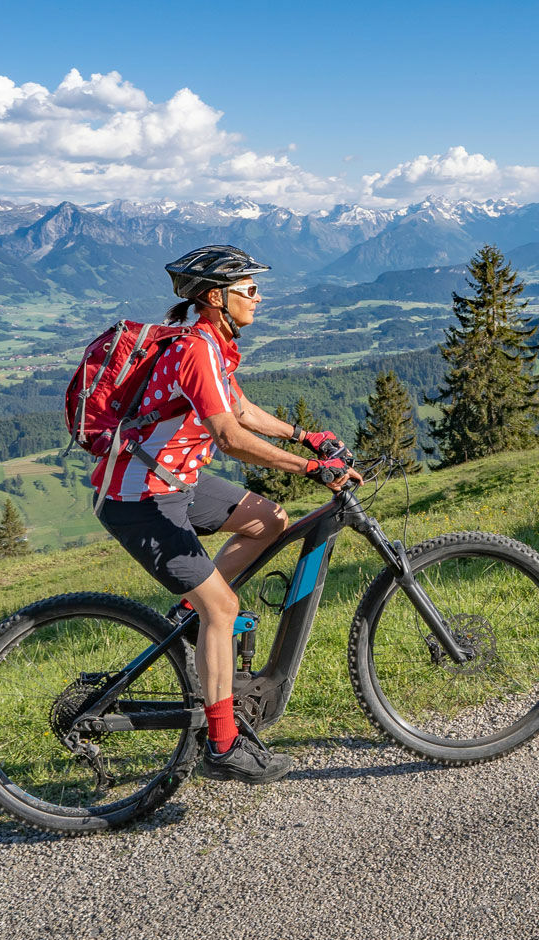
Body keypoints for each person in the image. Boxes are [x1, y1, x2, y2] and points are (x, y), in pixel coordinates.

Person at [92, 245, 362, 785]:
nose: (258, 298)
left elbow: (239, 408)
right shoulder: (196, 349)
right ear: (216, 298)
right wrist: (310, 468)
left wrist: (305, 436)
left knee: (269, 520)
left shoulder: (210, 346)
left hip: (176, 484)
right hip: (138, 500)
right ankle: (222, 744)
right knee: (223, 607)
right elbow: (230, 437)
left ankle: (189, 617)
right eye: (249, 289)